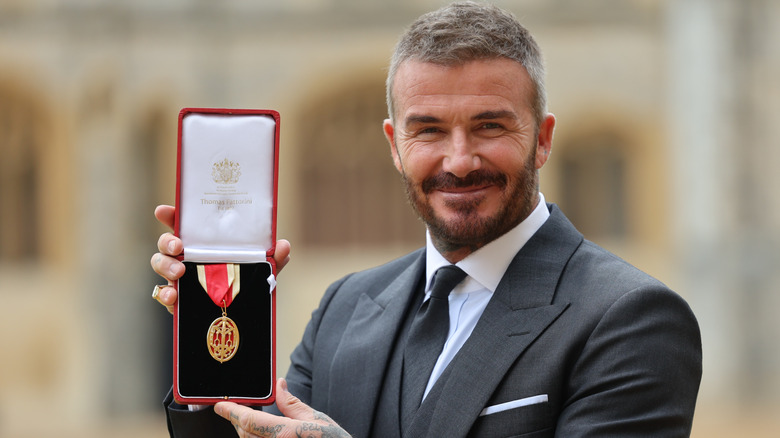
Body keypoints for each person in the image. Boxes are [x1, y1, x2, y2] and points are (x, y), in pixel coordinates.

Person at [151, 2, 702, 437]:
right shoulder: (345, 307)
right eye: (430, 130)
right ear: (395, 145)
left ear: (543, 139)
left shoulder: (631, 319)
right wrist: (214, 336)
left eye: (489, 127)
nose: (459, 161)